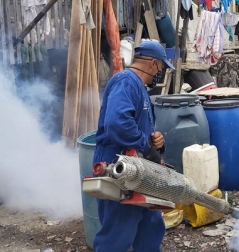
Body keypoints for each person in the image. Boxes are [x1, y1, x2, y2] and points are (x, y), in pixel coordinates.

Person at [92, 40, 175, 252]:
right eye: (162, 68)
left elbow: (137, 127)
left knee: (151, 226)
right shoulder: (126, 82)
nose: (161, 73)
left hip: (139, 171)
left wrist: (155, 141)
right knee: (118, 234)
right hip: (118, 167)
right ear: (153, 64)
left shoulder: (138, 88)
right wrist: (144, 145)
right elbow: (117, 123)